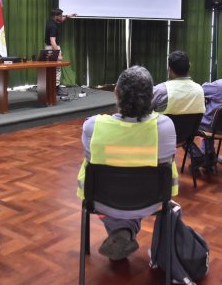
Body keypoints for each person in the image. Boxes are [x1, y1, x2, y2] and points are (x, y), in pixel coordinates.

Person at [76, 66, 177, 261]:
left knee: (120, 190)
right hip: (152, 201)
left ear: (116, 93)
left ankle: (122, 229)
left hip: (101, 200)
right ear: (151, 96)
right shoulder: (165, 127)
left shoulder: (92, 126)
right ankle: (126, 230)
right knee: (136, 189)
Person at [151, 50, 205, 115]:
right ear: (189, 67)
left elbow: (144, 112)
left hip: (163, 125)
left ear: (169, 70)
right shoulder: (200, 90)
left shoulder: (160, 91)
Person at [45, 7, 77, 97]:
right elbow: (52, 41)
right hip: (53, 47)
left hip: (49, 48)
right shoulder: (53, 26)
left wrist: (68, 16)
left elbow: (62, 20)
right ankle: (56, 89)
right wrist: (58, 54)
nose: (62, 17)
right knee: (57, 69)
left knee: (51, 69)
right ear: (56, 16)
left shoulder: (52, 21)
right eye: (60, 16)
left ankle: (51, 88)